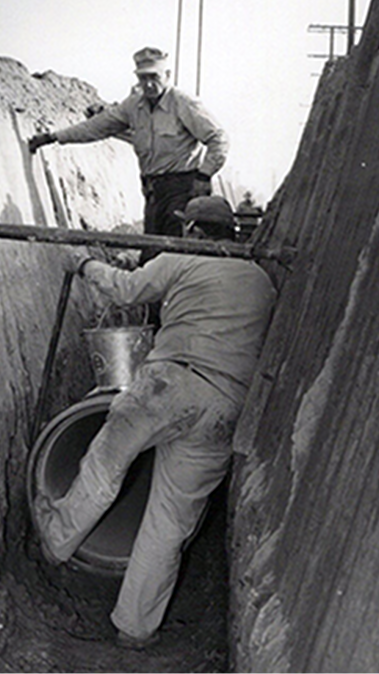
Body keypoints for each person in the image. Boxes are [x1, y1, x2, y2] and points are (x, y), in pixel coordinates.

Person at [33, 196, 276, 650]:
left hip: (170, 383)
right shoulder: (262, 279)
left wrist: (84, 264)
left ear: (197, 233)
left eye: (187, 228)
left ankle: (57, 540)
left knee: (105, 464)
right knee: (171, 522)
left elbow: (125, 290)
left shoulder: (183, 257)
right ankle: (135, 628)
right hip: (225, 408)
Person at [28, 47, 229, 265]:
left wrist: (204, 176)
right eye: (143, 78)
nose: (149, 84)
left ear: (167, 76)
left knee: (175, 257)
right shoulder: (133, 106)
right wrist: (54, 137)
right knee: (151, 257)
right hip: (153, 192)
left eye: (154, 77)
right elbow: (97, 126)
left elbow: (219, 138)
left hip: (183, 189)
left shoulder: (183, 103)